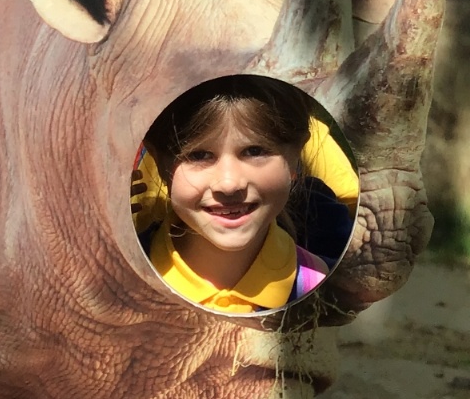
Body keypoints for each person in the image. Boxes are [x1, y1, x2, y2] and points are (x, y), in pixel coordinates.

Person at [135, 74, 357, 315]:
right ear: (159, 161)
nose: (229, 184)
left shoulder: (324, 292)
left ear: (295, 155)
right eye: (199, 155)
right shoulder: (120, 282)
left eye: (254, 151)